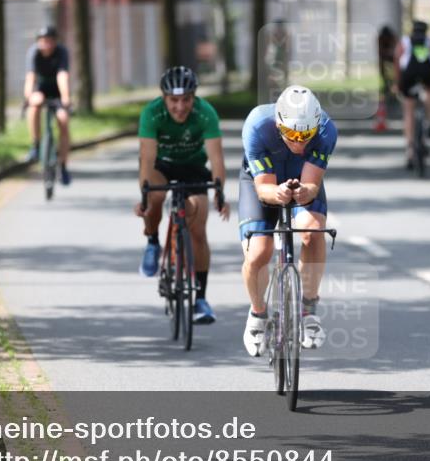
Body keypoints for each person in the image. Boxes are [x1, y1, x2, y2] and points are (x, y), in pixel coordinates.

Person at [238, 85, 338, 356]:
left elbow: (311, 185)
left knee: (312, 231)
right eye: (292, 136)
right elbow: (263, 189)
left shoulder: (327, 130)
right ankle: (258, 314)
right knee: (259, 252)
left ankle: (308, 310)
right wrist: (277, 193)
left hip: (301, 178)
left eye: (306, 135)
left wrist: (305, 192)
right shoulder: (257, 126)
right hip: (261, 181)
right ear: (279, 125)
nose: (299, 143)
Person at [135, 66, 229, 324]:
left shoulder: (205, 113)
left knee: (198, 227)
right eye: (173, 100)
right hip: (161, 165)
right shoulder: (152, 114)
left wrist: (219, 193)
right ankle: (153, 241)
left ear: (194, 97)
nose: (180, 106)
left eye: (186, 99)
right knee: (154, 196)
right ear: (164, 98)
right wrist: (144, 197)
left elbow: (216, 159)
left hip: (193, 168)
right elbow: (147, 159)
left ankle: (200, 298)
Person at [24, 26, 73, 184]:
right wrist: (29, 96)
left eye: (50, 41)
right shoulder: (34, 53)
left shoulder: (61, 52)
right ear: (39, 42)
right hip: (41, 90)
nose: (47, 45)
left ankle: (63, 166)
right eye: (43, 41)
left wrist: (65, 97)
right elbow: (30, 77)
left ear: (55, 42)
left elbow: (62, 75)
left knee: (63, 121)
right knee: (35, 104)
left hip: (57, 92)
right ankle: (36, 145)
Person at [394, 20, 430, 167]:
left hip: (409, 76)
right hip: (427, 76)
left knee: (408, 112)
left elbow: (397, 61)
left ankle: (410, 150)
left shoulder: (404, 42)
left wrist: (397, 83)